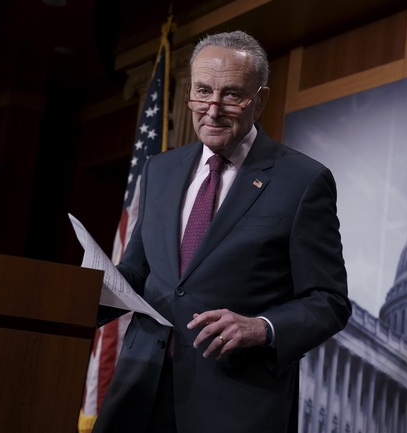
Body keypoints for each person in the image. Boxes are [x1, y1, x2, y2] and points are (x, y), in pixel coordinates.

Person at [92, 30, 352, 433]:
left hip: (234, 403)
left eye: (231, 95)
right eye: (202, 91)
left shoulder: (302, 181)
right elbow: (138, 272)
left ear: (260, 99)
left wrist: (262, 328)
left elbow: (329, 301)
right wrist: (79, 293)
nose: (211, 109)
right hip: (140, 389)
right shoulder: (160, 169)